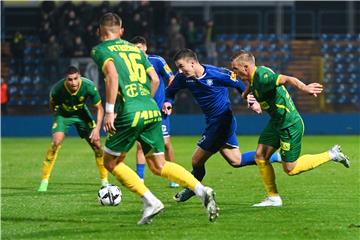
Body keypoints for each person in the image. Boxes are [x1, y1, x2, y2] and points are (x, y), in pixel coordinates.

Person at [91, 12, 218, 225]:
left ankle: (150, 200)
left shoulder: (100, 49)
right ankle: (201, 189)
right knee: (159, 165)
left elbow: (112, 76)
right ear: (121, 31)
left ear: (99, 31)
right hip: (151, 108)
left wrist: (111, 111)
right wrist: (145, 101)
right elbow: (155, 80)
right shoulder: (135, 50)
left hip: (129, 111)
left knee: (111, 162)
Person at [230, 50, 350, 207]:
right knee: (260, 156)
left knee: (291, 169)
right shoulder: (254, 78)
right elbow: (253, 87)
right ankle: (273, 198)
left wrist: (305, 88)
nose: (235, 74)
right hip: (276, 122)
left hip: (289, 125)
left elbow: (287, 79)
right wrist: (246, 95)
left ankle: (331, 154)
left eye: (235, 69)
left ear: (246, 67)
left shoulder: (263, 76)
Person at [163, 49, 281, 203]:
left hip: (222, 123)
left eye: (181, 66)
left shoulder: (217, 74)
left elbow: (239, 84)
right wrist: (168, 102)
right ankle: (277, 156)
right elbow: (170, 91)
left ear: (192, 63)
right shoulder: (182, 78)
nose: (179, 70)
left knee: (196, 161)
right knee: (236, 160)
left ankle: (193, 188)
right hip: (214, 122)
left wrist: (251, 100)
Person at [37, 66, 108, 192]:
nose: (73, 82)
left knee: (97, 145)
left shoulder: (88, 86)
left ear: (79, 76)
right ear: (66, 79)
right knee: (55, 143)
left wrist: (97, 129)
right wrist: (57, 119)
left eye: (76, 78)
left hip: (82, 114)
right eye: (70, 79)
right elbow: (52, 104)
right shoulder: (57, 89)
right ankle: (44, 180)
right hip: (63, 115)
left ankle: (104, 180)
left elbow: (100, 108)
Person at [130, 36, 179, 188]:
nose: (136, 51)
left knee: (166, 144)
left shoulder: (156, 61)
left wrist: (168, 101)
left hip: (159, 111)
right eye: (134, 48)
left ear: (145, 47)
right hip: (143, 110)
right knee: (140, 145)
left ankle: (173, 176)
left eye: (139, 47)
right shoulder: (131, 66)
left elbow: (172, 79)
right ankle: (140, 179)